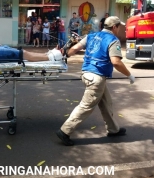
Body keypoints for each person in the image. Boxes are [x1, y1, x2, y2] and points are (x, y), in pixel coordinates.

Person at [56, 16, 136, 146]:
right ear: (114, 27)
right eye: (119, 27)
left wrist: (63, 54)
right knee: (86, 106)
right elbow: (116, 62)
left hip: (87, 73)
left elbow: (74, 49)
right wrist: (129, 75)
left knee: (106, 102)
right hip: (97, 78)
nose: (119, 29)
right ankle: (65, 131)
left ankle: (113, 129)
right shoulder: (113, 40)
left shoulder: (91, 36)